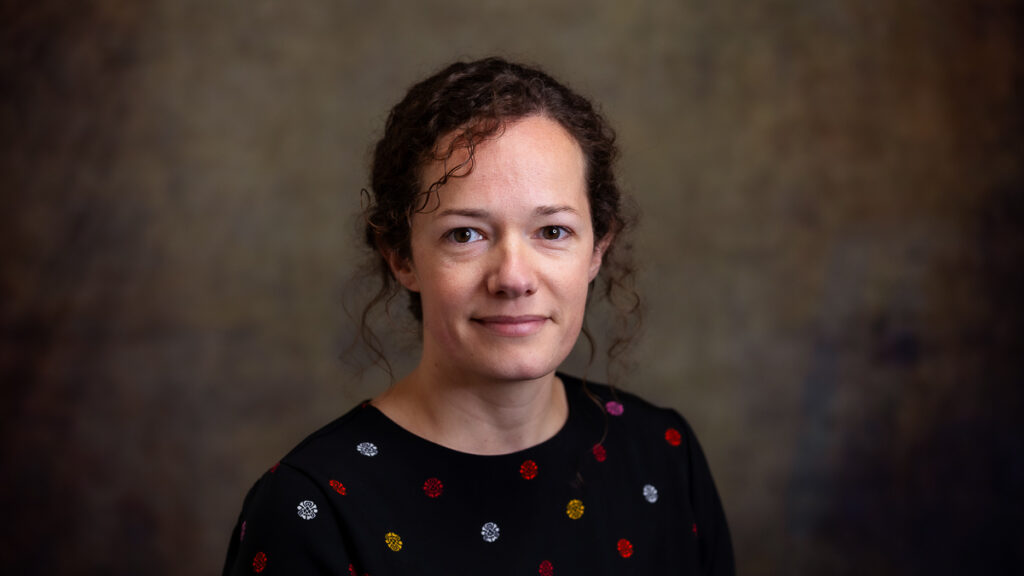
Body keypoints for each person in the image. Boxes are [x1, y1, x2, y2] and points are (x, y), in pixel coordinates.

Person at [222, 57, 733, 575]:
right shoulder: (309, 509)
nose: (513, 277)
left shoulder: (665, 455)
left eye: (552, 231)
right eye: (465, 234)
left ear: (597, 249)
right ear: (401, 258)